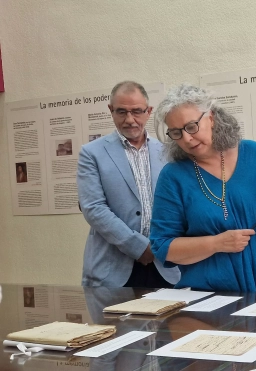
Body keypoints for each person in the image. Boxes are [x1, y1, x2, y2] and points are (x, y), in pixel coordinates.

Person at [150, 84, 256, 292]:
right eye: (176, 133)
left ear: (212, 117)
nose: (187, 138)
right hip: (212, 290)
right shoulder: (173, 177)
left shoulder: (254, 153)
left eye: (191, 126)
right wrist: (216, 243)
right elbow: (162, 246)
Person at [77, 81, 180, 288]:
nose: (130, 120)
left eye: (137, 112)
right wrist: (139, 248)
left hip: (165, 267)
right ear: (111, 110)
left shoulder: (169, 152)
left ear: (149, 111)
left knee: (171, 321)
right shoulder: (91, 153)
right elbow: (94, 208)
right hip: (113, 271)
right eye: (121, 112)